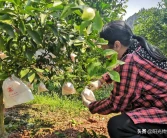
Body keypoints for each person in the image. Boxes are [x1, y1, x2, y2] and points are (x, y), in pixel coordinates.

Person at [81, 20, 167, 138]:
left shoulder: (131, 61)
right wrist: (100, 81)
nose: (106, 55)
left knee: (118, 126)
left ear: (116, 45)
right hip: (160, 113)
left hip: (163, 123)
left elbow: (116, 104)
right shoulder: (138, 48)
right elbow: (121, 68)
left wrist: (91, 105)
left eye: (106, 50)